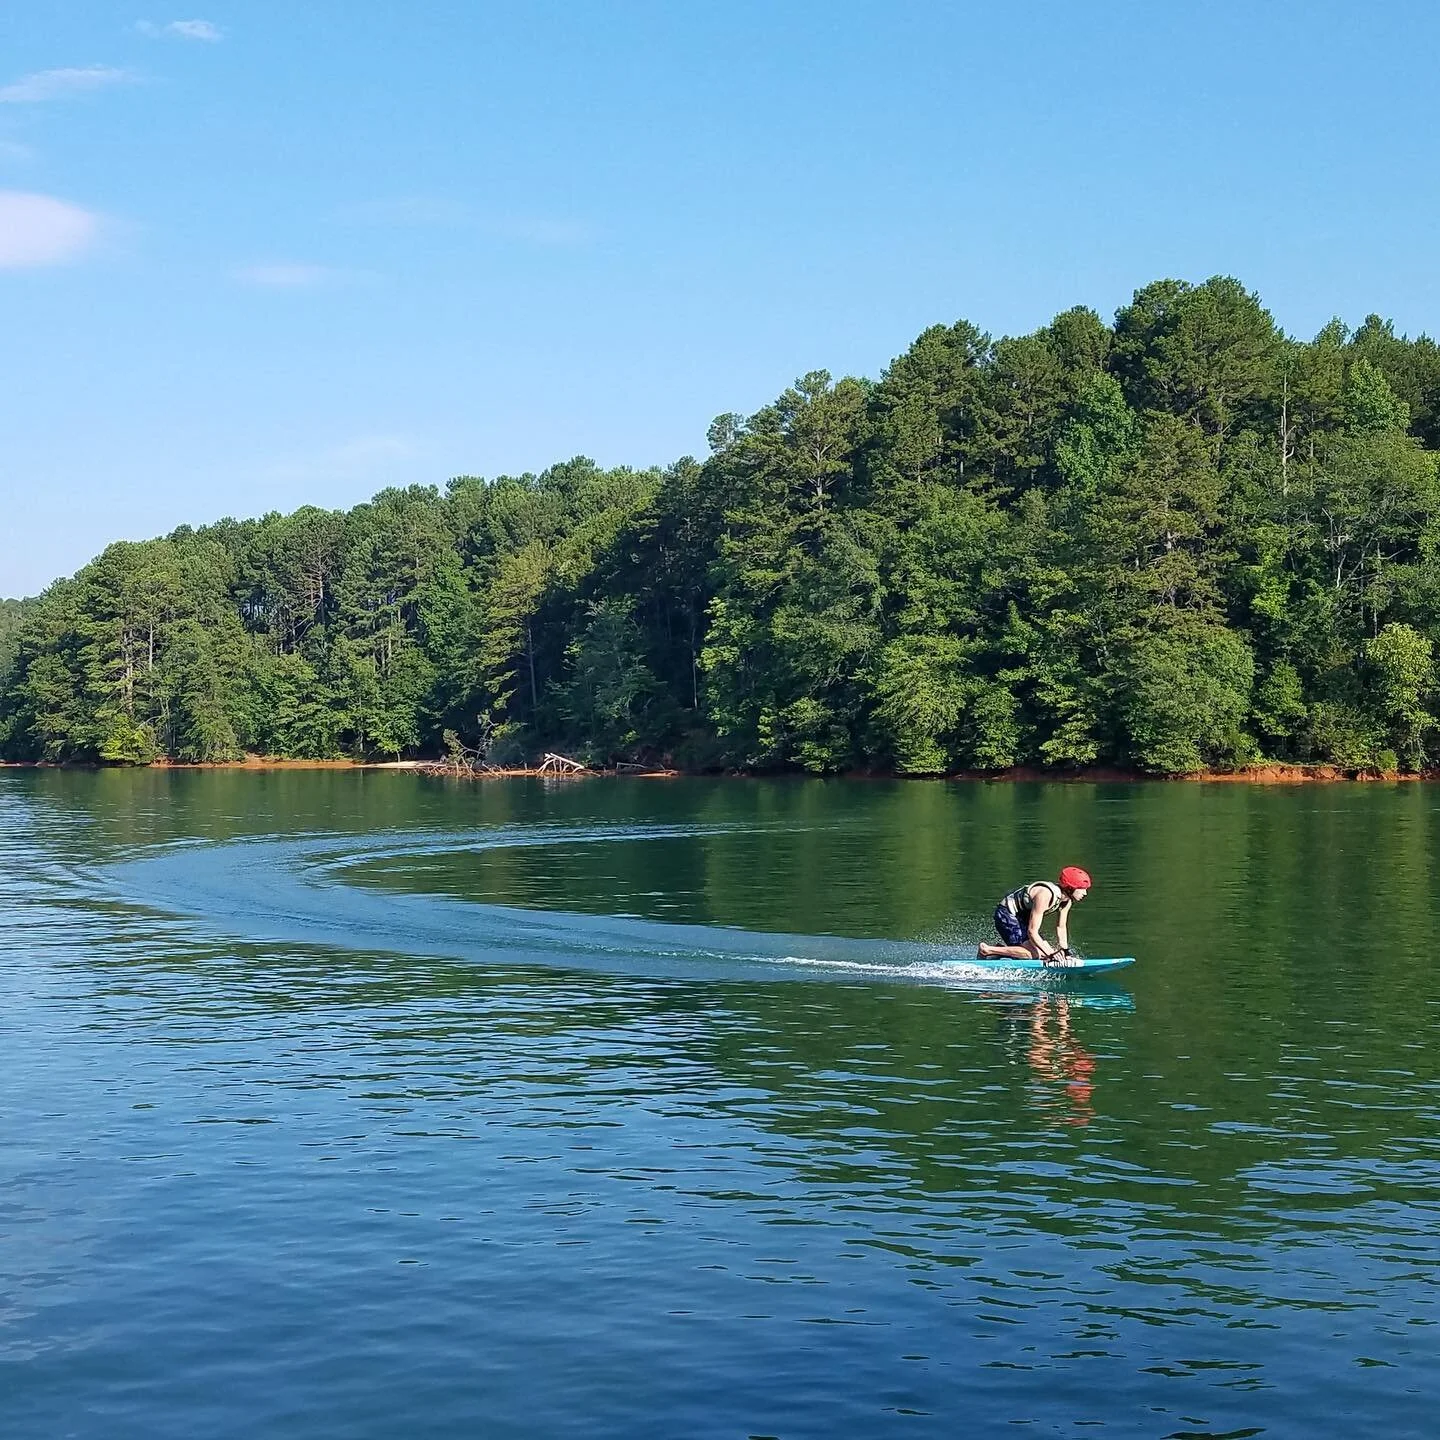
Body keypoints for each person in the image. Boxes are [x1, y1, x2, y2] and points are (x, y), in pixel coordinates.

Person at [978, 867, 1092, 965]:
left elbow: (1061, 927)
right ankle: (987, 950)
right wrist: (1052, 954)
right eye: (1082, 889)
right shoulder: (1045, 895)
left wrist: (1065, 952)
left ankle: (1000, 951)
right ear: (1070, 888)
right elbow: (1032, 932)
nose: (1085, 893)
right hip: (1007, 914)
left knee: (1044, 950)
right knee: (1034, 954)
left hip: (1022, 917)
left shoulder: (1067, 901)